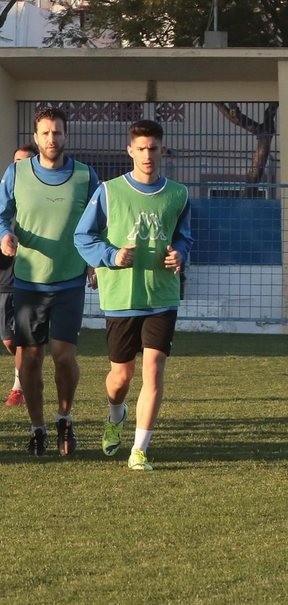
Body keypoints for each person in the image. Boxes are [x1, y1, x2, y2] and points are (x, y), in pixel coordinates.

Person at [73, 119, 194, 471]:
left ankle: (139, 450)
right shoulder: (109, 191)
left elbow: (184, 236)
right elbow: (83, 237)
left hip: (162, 296)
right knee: (121, 378)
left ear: (162, 150)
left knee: (153, 371)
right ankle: (116, 414)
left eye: (153, 148)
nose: (147, 155)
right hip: (121, 297)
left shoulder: (179, 194)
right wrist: (111, 256)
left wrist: (180, 254)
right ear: (130, 151)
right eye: (141, 149)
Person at [0, 106, 102, 457]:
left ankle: (64, 419)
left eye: (57, 132)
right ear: (36, 137)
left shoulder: (85, 176)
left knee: (64, 357)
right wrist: (5, 235)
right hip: (28, 282)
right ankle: (37, 429)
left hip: (69, 281)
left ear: (66, 135)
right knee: (30, 359)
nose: (52, 138)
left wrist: (95, 262)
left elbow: (100, 223)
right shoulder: (17, 172)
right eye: (46, 133)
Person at [0, 144, 39, 408]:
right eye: (16, 161)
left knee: (25, 337)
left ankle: (18, 388)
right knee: (8, 339)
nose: (20, 166)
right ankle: (28, 367)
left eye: (26, 161)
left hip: (34, 276)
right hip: (4, 276)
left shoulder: (43, 196)